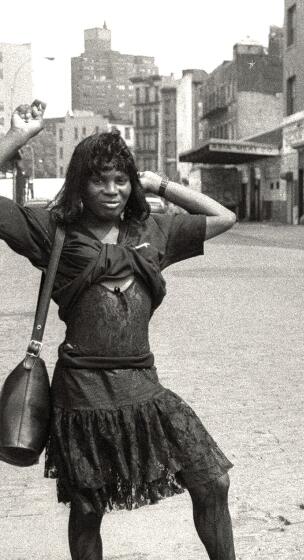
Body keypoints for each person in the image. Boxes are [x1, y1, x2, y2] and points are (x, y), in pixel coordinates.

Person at [0, 101, 238, 560]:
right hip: (82, 395)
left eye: (121, 179)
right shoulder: (52, 232)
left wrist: (159, 184)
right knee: (88, 510)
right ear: (79, 184)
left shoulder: (154, 230)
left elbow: (225, 218)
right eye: (98, 179)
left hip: (143, 388)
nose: (111, 190)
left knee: (213, 479)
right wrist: (19, 136)